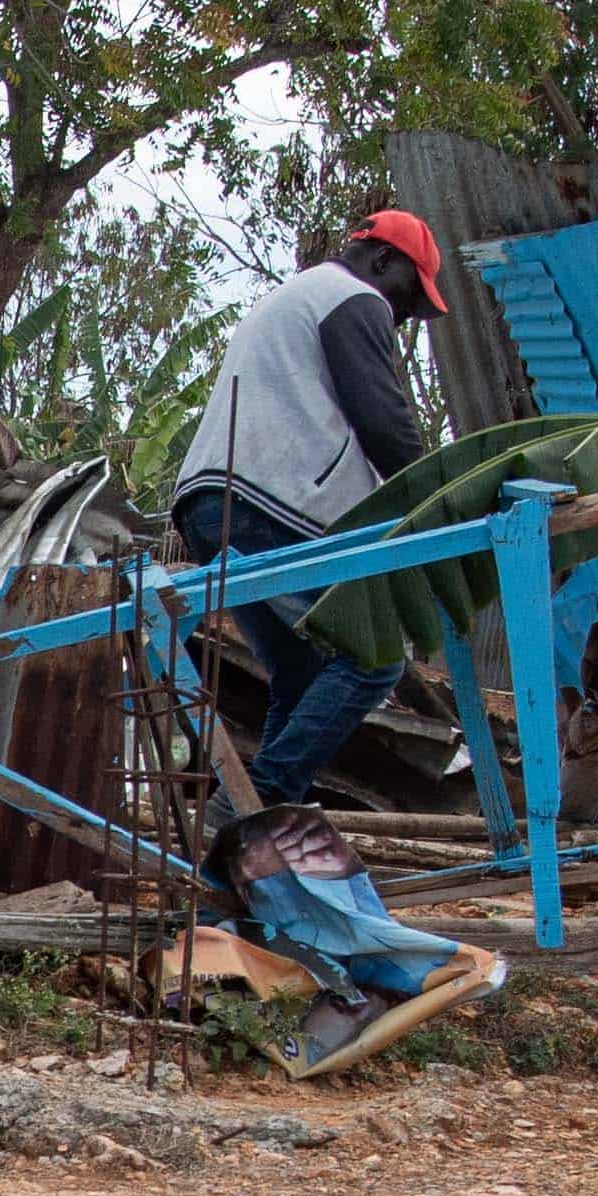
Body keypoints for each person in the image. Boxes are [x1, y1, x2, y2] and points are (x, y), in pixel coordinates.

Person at [166, 211, 450, 811]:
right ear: (382, 261)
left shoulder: (293, 297)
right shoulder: (350, 296)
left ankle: (248, 817)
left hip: (209, 505)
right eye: (409, 297)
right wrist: (438, 496)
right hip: (265, 506)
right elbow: (385, 422)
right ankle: (252, 805)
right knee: (372, 662)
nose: (404, 317)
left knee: (298, 679)